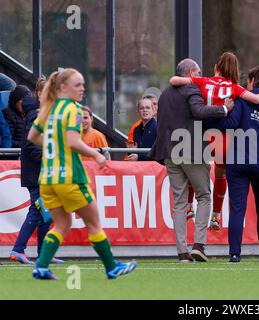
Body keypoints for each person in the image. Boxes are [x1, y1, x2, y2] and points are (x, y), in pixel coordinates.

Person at [27, 68, 136, 280]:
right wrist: (96, 155)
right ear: (62, 87)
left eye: (83, 85)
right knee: (94, 223)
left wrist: (54, 146)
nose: (82, 89)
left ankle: (41, 266)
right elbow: (72, 141)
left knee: (62, 224)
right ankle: (111, 267)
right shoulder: (73, 109)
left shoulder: (48, 108)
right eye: (77, 85)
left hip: (48, 178)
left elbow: (32, 136)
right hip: (70, 177)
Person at [170, 52, 259, 231]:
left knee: (195, 171)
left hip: (202, 135)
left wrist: (187, 80)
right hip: (223, 139)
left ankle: (188, 206)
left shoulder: (204, 81)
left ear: (216, 67)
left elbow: (174, 81)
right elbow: (256, 99)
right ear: (234, 70)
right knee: (220, 174)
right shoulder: (235, 87)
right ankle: (216, 216)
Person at [149, 58, 234, 263]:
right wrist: (224, 109)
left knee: (179, 203)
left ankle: (182, 252)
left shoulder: (165, 95)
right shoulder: (192, 90)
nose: (199, 76)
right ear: (190, 74)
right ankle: (199, 245)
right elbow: (198, 111)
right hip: (191, 149)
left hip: (170, 152)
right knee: (204, 196)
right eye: (197, 73)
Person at [207, 65, 259, 263]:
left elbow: (229, 125)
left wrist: (211, 120)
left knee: (238, 208)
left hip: (238, 162)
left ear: (253, 80)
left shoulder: (242, 101)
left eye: (248, 80)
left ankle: (235, 253)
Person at [9, 77, 64, 265]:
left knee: (44, 213)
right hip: (36, 174)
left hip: (42, 173)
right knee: (37, 211)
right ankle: (18, 249)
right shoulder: (36, 115)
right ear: (41, 94)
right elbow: (30, 145)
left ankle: (43, 253)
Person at [2, 85, 31, 159]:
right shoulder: (8, 114)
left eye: (27, 100)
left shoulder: (28, 114)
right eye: (22, 100)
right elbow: (7, 140)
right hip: (13, 156)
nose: (24, 103)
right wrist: (25, 145)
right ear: (15, 100)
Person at [126, 97, 157, 161]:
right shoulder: (136, 130)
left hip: (154, 169)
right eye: (141, 108)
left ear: (153, 111)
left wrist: (139, 157)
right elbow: (134, 156)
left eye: (148, 107)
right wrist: (131, 151)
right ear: (138, 112)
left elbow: (159, 153)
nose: (145, 110)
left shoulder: (159, 128)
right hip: (139, 168)